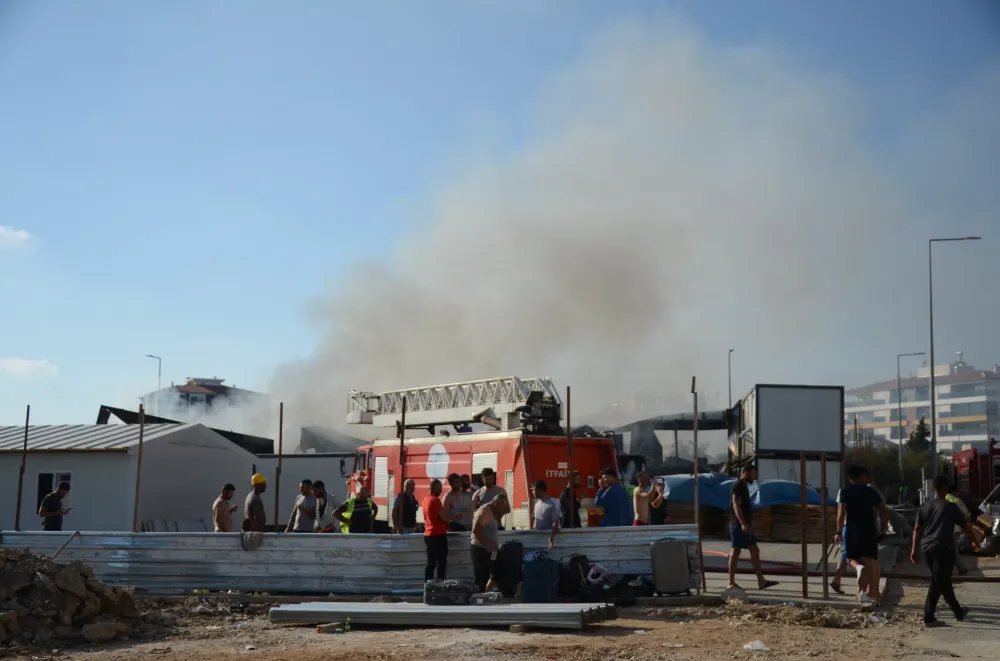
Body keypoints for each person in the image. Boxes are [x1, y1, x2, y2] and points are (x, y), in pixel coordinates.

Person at [911, 475, 979, 626]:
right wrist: (976, 543)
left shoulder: (924, 507)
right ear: (946, 489)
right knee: (938, 581)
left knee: (942, 580)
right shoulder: (950, 506)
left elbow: (916, 529)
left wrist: (914, 550)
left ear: (933, 489)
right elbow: (966, 528)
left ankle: (958, 611)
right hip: (943, 547)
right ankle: (928, 617)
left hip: (927, 548)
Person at [835, 465, 891, 604]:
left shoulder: (845, 490)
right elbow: (884, 509)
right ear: (861, 476)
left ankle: (858, 569)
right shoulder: (870, 491)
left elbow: (841, 513)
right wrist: (884, 526)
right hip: (869, 530)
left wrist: (838, 531)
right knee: (870, 559)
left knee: (849, 558)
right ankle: (871, 592)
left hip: (852, 529)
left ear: (849, 477)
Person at [728, 465, 778, 591]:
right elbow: (736, 506)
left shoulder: (744, 485)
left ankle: (761, 581)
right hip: (738, 524)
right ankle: (730, 583)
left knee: (755, 551)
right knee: (735, 552)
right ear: (745, 473)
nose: (754, 476)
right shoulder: (738, 485)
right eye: (752, 474)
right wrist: (743, 523)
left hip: (746, 525)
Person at [470, 493, 511, 592]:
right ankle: (478, 600)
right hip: (480, 549)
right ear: (495, 503)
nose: (502, 511)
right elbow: (476, 531)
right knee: (481, 578)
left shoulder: (494, 510)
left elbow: (507, 510)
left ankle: (486, 594)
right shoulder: (485, 512)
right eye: (501, 507)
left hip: (489, 550)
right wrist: (489, 544)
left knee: (495, 573)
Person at [422, 479, 450, 580]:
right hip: (438, 534)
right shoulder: (435, 500)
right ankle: (439, 585)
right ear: (434, 488)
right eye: (439, 488)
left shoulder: (425, 499)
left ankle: (427, 584)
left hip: (428, 534)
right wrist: (453, 516)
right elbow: (444, 517)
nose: (441, 490)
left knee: (431, 563)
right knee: (441, 563)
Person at [532, 480, 562, 549]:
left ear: (540, 490)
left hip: (548, 542)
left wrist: (551, 539)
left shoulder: (553, 503)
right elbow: (535, 522)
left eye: (534, 490)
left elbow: (556, 524)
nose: (532, 492)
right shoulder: (536, 504)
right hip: (536, 541)